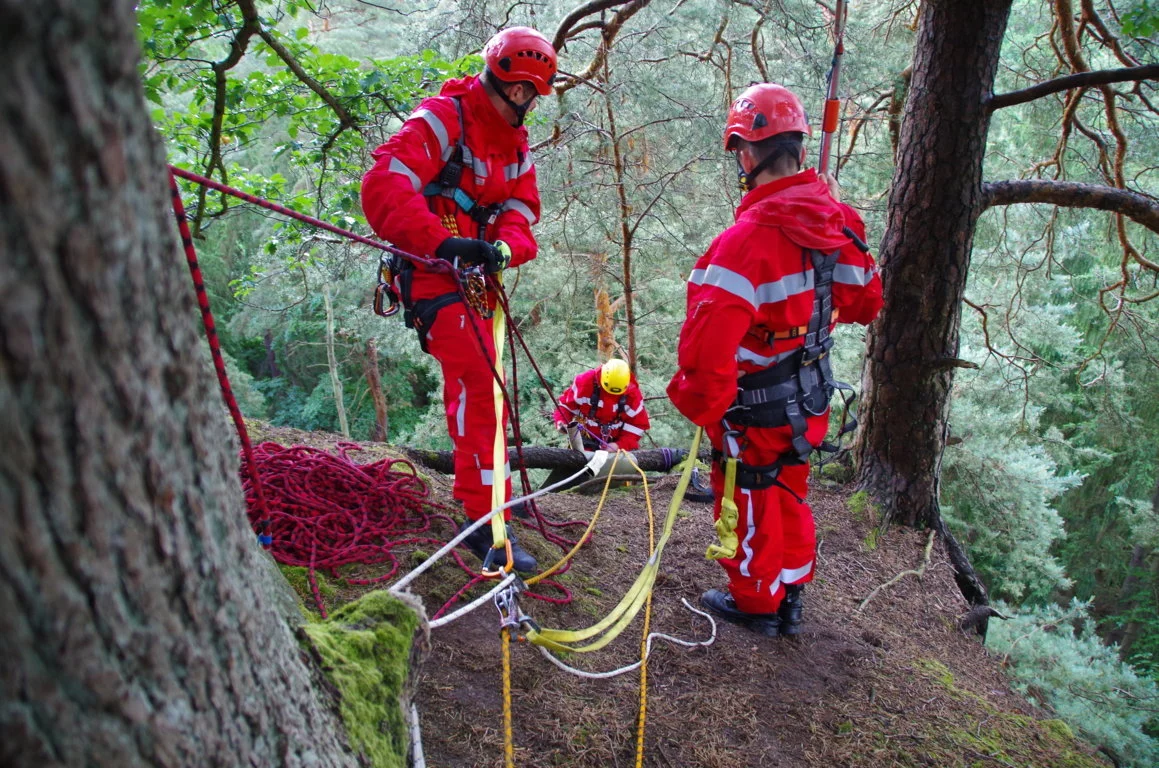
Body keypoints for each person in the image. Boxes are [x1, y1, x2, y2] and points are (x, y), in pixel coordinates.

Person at [667, 83, 883, 636]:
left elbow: (706, 345)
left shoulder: (744, 242)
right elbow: (865, 300)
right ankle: (790, 592)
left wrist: (705, 407)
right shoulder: (836, 226)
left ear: (745, 153)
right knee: (789, 489)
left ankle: (757, 602)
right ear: (800, 150)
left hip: (754, 403)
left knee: (749, 491)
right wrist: (839, 217)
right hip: (809, 396)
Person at [361, 27, 558, 573]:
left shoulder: (516, 148)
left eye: (529, 95)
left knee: (487, 381)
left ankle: (488, 508)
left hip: (474, 276)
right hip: (429, 269)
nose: (519, 102)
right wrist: (440, 241)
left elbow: (523, 212)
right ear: (492, 76)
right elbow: (382, 186)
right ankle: (484, 519)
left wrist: (503, 248)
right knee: (477, 378)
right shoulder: (442, 120)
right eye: (513, 89)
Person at [553, 359, 651, 452]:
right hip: (586, 441)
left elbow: (637, 425)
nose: (612, 395)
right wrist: (561, 422)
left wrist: (619, 445)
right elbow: (565, 406)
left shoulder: (632, 394)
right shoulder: (585, 383)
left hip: (616, 446)